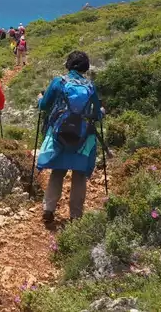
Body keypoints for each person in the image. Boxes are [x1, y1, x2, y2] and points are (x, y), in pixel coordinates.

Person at [37, 51, 104, 223]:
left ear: (68, 64)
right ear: (85, 67)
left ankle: (49, 209)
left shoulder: (59, 82)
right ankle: (75, 216)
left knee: (58, 171)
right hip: (82, 137)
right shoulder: (89, 86)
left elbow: (44, 106)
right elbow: (97, 113)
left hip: (60, 135)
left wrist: (39, 99)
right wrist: (101, 112)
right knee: (79, 174)